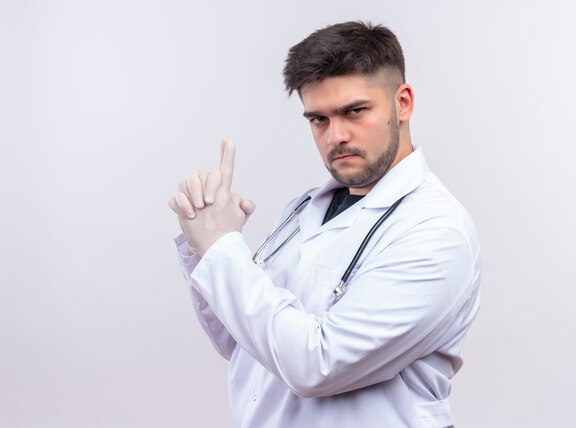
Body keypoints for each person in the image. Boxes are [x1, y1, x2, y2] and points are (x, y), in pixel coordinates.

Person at [168, 21, 480, 428]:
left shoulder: (435, 231)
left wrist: (223, 249)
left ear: (402, 103)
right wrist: (203, 246)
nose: (336, 136)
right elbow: (242, 343)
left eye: (354, 111)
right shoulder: (302, 210)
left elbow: (315, 365)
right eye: (318, 119)